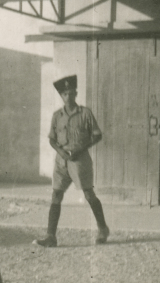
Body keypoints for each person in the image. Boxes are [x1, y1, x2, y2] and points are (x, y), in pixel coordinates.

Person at [35, 74, 110, 248]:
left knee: (88, 194)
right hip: (61, 161)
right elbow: (52, 139)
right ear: (61, 96)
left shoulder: (85, 113)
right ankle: (50, 236)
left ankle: (102, 229)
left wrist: (80, 149)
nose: (68, 97)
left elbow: (97, 135)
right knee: (56, 195)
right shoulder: (57, 116)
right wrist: (60, 151)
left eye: (71, 93)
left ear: (76, 94)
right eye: (65, 94)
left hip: (79, 160)